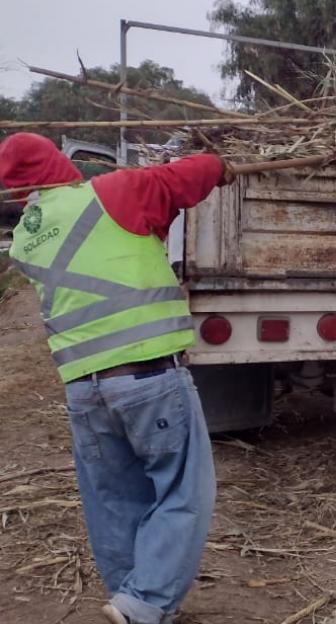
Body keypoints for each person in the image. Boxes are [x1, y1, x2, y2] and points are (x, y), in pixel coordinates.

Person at [0, 132, 232, 624]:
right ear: (58, 165)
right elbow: (191, 175)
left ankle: (130, 600)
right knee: (184, 493)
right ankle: (145, 602)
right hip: (148, 377)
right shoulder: (110, 192)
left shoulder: (24, 238)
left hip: (84, 387)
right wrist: (221, 164)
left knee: (113, 499)